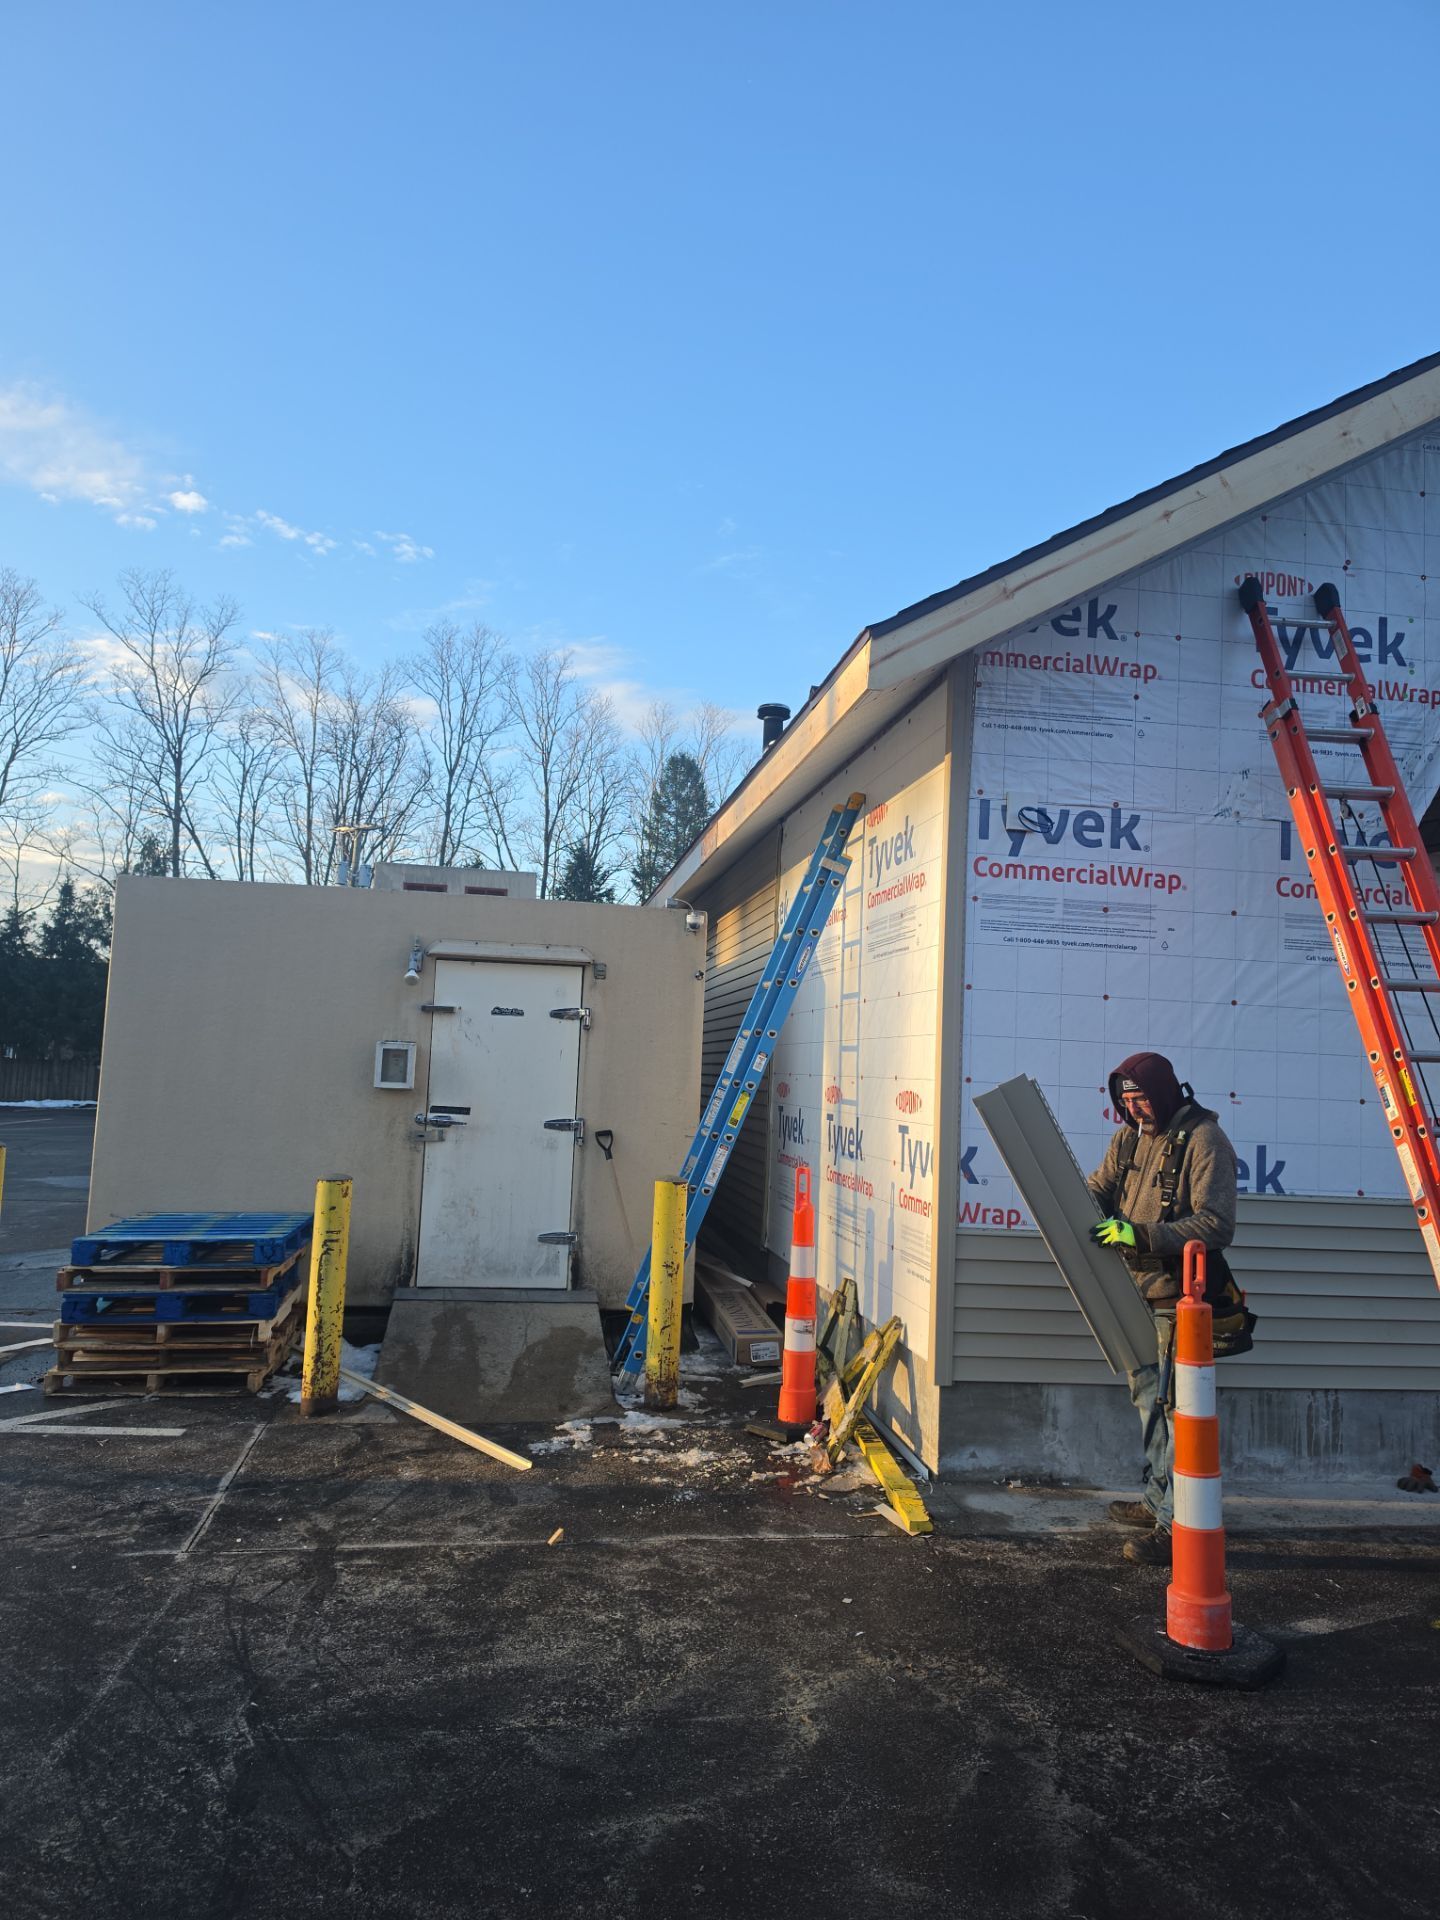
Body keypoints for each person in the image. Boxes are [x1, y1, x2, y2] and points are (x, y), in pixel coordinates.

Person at [1087, 1050, 1240, 1566]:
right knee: (1148, 1404)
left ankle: (1177, 1524)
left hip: (1178, 1301)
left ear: (1166, 1090)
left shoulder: (1204, 1140)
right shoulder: (1128, 1139)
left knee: (1178, 1412)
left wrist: (1141, 1233)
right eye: (1127, 1100)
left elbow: (1217, 1224)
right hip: (1134, 1293)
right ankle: (1157, 1500)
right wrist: (1070, 1205)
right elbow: (1097, 1190)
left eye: (1143, 1097)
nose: (1136, 1109)